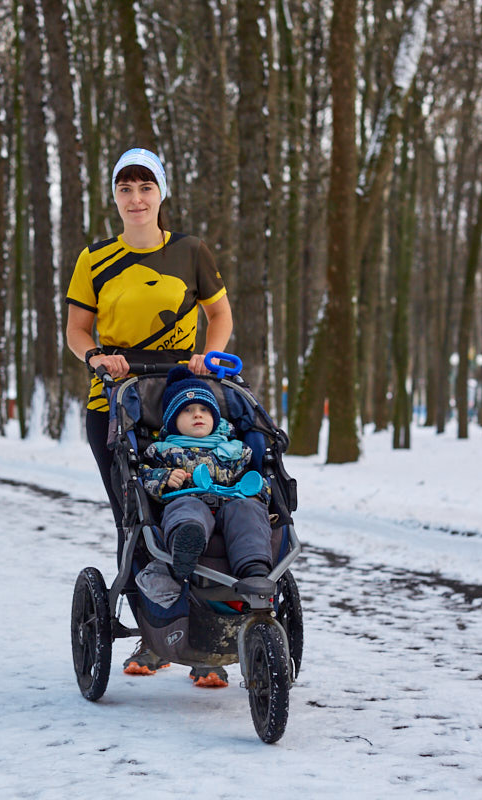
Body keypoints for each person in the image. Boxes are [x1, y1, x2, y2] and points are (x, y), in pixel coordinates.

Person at [64, 147, 234, 680]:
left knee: (200, 499)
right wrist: (95, 356)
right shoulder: (94, 258)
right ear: (114, 196)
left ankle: (210, 636)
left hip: (182, 395)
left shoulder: (191, 251)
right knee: (136, 516)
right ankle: (155, 638)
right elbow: (76, 329)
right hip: (114, 401)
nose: (135, 198)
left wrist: (209, 354)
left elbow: (220, 313)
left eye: (145, 187)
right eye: (125, 188)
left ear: (161, 192)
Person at [131, 367, 274, 688]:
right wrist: (166, 479)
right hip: (187, 499)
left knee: (248, 510)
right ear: (171, 421)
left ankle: (253, 567)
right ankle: (186, 541)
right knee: (186, 510)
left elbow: (257, 481)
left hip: (233, 500)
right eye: (187, 410)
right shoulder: (163, 451)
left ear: (215, 418)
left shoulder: (236, 450)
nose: (197, 415)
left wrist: (257, 490)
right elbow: (144, 478)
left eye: (204, 410)